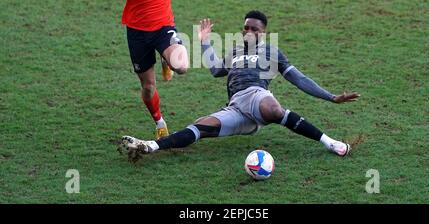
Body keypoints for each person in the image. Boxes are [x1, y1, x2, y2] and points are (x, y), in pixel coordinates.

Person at [120, 11, 361, 161]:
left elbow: (298, 79)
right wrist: (204, 43)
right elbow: (216, 70)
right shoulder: (235, 51)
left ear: (263, 33)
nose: (248, 31)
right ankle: (150, 146)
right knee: (200, 126)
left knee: (273, 110)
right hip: (237, 108)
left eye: (254, 29)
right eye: (245, 27)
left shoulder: (270, 52)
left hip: (257, 96)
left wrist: (331, 97)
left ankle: (330, 143)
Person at [120, 0, 255, 140]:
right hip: (137, 31)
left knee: (181, 66)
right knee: (147, 87)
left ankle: (167, 59)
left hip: (163, 27)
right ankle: (159, 122)